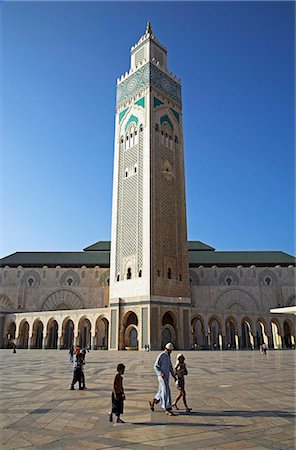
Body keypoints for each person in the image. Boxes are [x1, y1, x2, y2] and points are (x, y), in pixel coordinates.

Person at [149, 342, 177, 416]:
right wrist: (160, 373)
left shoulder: (168, 356)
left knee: (161, 392)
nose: (171, 352)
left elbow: (170, 367)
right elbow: (156, 366)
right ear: (166, 349)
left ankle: (152, 402)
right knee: (166, 391)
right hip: (161, 377)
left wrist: (174, 376)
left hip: (166, 377)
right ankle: (168, 408)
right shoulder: (161, 355)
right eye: (170, 350)